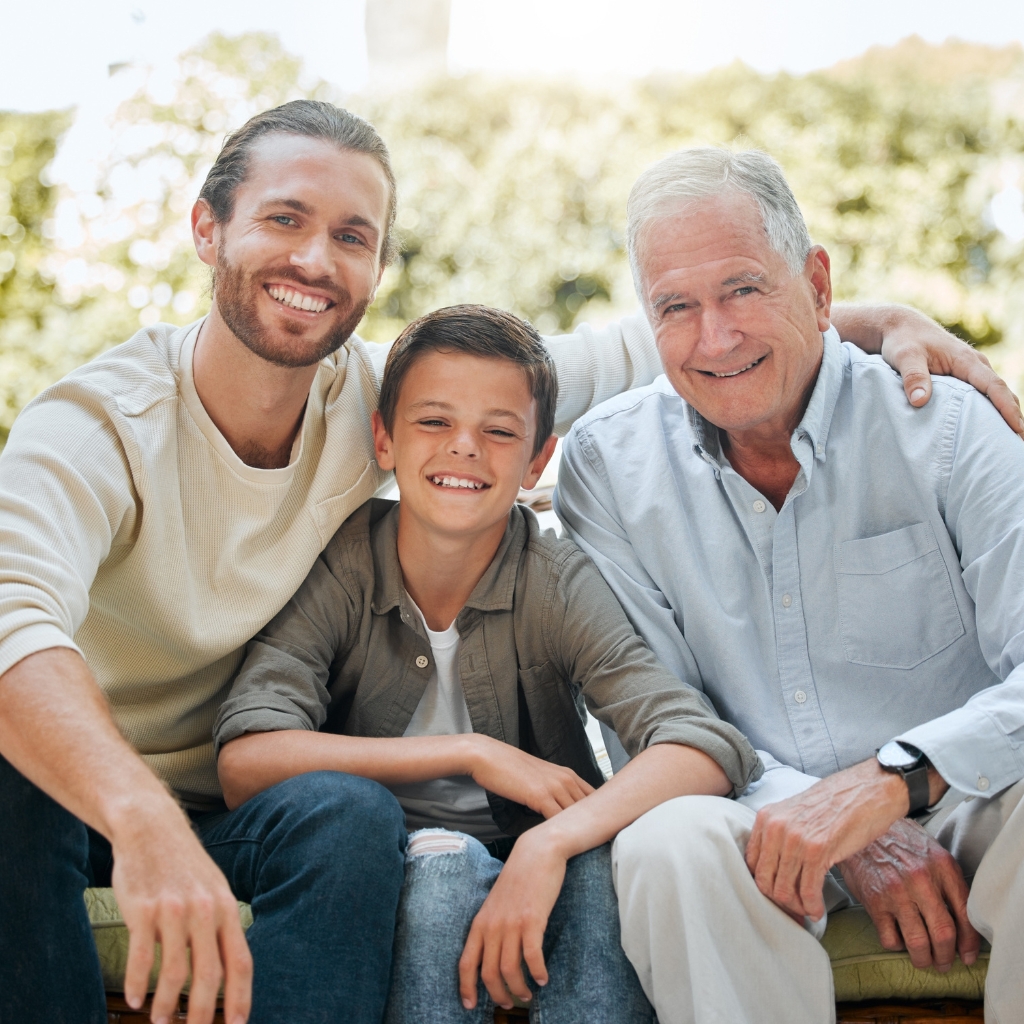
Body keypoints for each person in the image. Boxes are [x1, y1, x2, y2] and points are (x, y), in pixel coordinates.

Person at [0, 97, 1012, 1024]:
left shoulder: (376, 409)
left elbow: (646, 345)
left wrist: (869, 325)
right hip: (85, 789)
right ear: (206, 228)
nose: (316, 258)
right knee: (14, 780)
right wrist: (137, 816)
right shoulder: (98, 423)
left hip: (246, 808)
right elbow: (12, 622)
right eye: (283, 218)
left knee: (345, 818)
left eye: (351, 236)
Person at [553, 146, 1024, 1024]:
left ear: (816, 284)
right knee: (668, 841)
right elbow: (655, 719)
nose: (715, 337)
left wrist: (890, 784)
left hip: (969, 797)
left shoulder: (950, 426)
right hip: (750, 813)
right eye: (676, 307)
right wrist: (831, 827)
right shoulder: (607, 466)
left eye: (743, 289)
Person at [214, 303, 761, 1022]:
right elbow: (245, 762)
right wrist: (472, 752)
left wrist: (552, 843)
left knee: (599, 876)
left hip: (540, 846)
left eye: (500, 432)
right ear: (383, 438)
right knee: (440, 876)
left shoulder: (555, 578)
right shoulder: (345, 562)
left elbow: (702, 745)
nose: (464, 448)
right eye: (434, 422)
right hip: (392, 857)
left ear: (539, 459)